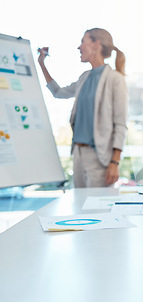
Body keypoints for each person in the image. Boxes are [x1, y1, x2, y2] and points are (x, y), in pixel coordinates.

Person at [38, 28, 128, 188]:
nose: (79, 47)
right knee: (80, 210)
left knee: (98, 210)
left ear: (96, 44)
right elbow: (58, 92)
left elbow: (120, 124)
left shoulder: (115, 79)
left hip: (99, 157)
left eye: (83, 41)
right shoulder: (84, 78)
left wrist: (115, 162)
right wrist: (42, 64)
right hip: (79, 153)